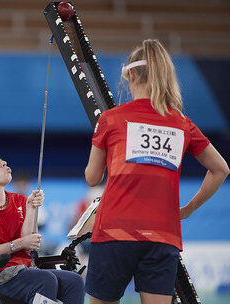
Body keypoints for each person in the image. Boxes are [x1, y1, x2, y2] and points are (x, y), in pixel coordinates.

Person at [84, 39, 229, 304]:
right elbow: (221, 169)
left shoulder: (111, 119)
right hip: (163, 234)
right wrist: (189, 209)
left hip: (115, 231)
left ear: (133, 74)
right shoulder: (182, 123)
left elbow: (92, 178)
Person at [0, 147, 85, 304]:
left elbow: (29, 246)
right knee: (45, 280)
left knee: (74, 281)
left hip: (24, 270)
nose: (3, 162)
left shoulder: (20, 200)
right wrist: (17, 244)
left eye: (0, 159)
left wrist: (31, 208)